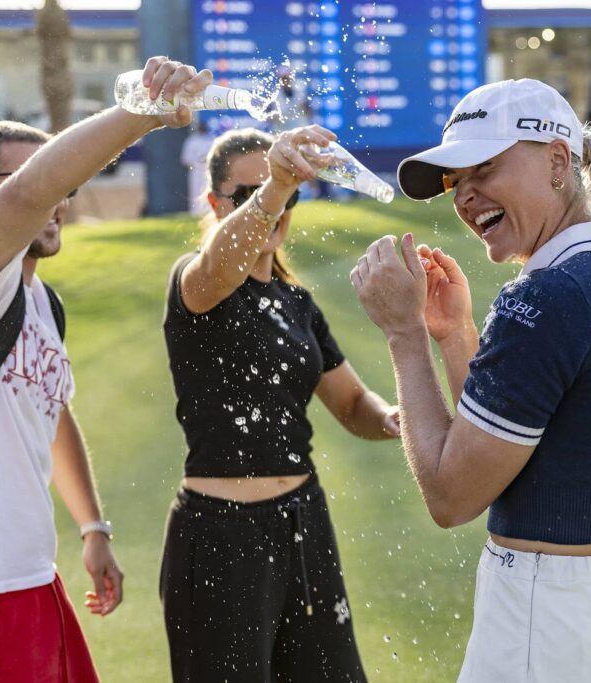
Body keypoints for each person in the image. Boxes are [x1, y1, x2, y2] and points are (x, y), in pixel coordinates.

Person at [350, 79, 591, 681]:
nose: (466, 195)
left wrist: (403, 335)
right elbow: (513, 450)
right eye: (457, 182)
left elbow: (453, 495)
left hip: (549, 620)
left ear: (558, 162)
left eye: (484, 168)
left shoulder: (547, 297)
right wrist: (454, 337)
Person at [0, 55, 207, 682]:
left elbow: (50, 408)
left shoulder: (39, 300)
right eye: (38, 177)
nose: (58, 197)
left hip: (34, 578)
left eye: (63, 183)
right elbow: (32, 192)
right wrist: (140, 114)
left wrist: (92, 526)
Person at [159, 125, 399, 682]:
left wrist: (395, 419)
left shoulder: (296, 301)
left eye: (284, 193)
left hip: (302, 523)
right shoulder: (197, 280)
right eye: (247, 194)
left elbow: (352, 403)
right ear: (216, 202)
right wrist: (274, 187)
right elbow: (221, 267)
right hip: (219, 537)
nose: (273, 206)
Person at [179, 118, 214, 216]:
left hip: (208, 170)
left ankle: (209, 211)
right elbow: (185, 159)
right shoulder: (191, 141)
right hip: (196, 171)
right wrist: (198, 161)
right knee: (195, 191)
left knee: (208, 190)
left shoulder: (209, 140)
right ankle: (195, 212)